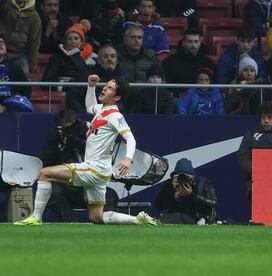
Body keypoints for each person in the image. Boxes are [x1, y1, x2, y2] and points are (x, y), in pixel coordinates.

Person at [15, 74, 159, 225]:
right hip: (101, 171)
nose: (104, 88)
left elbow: (130, 138)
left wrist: (128, 158)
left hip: (94, 169)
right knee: (96, 217)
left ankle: (36, 217)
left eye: (110, 88)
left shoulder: (115, 116)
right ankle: (137, 220)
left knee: (45, 174)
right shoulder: (102, 110)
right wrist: (91, 87)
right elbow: (90, 106)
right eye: (106, 85)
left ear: (116, 97)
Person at [154, 158, 218, 225]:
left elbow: (214, 204)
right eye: (180, 176)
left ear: (193, 176)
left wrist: (192, 195)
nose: (183, 179)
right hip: (176, 219)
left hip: (199, 219)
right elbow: (159, 206)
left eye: (186, 177)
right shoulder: (171, 184)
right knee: (163, 219)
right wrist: (171, 190)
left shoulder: (202, 183)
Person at [162, 29, 216, 97]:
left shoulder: (209, 63)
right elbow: (165, 87)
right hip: (177, 100)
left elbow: (213, 86)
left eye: (196, 42)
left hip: (202, 100)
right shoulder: (169, 62)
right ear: (184, 43)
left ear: (200, 43)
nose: (193, 45)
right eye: (189, 42)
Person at [0, 0, 42, 73]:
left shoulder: (34, 17)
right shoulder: (4, 5)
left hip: (18, 55)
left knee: (25, 76)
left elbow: (34, 44)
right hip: (1, 51)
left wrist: (32, 66)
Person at [0, 37, 32, 112]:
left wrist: (10, 106)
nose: (0, 45)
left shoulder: (14, 67)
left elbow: (26, 90)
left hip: (9, 111)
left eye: (2, 43)